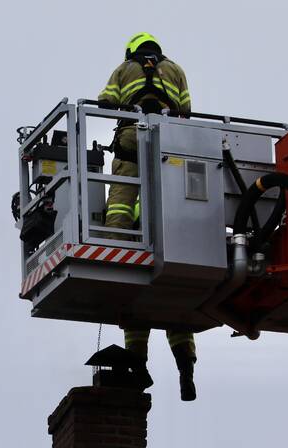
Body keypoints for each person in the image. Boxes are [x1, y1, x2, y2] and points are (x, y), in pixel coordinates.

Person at [97, 32, 197, 401]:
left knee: (122, 195)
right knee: (174, 197)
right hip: (171, 142)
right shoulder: (176, 70)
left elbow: (106, 102)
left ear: (132, 52)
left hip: (132, 137)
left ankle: (116, 242)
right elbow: (187, 110)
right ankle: (186, 369)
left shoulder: (123, 69)